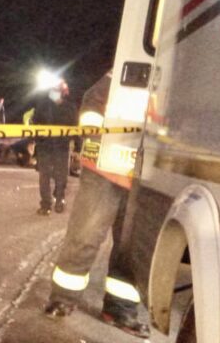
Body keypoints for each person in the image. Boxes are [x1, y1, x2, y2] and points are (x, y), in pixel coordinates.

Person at [43, 71, 150, 338]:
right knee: (85, 236)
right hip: (106, 169)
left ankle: (121, 309)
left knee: (133, 250)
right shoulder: (129, 67)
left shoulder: (182, 72)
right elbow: (91, 105)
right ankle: (63, 298)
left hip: (146, 178)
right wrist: (99, 138)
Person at [32, 78, 77, 215]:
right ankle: (46, 204)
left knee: (61, 176)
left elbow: (75, 128)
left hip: (61, 146)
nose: (54, 93)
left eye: (57, 90)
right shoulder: (42, 105)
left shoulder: (70, 108)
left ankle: (59, 199)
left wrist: (78, 148)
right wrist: (34, 141)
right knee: (44, 176)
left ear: (63, 92)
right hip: (44, 145)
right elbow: (36, 123)